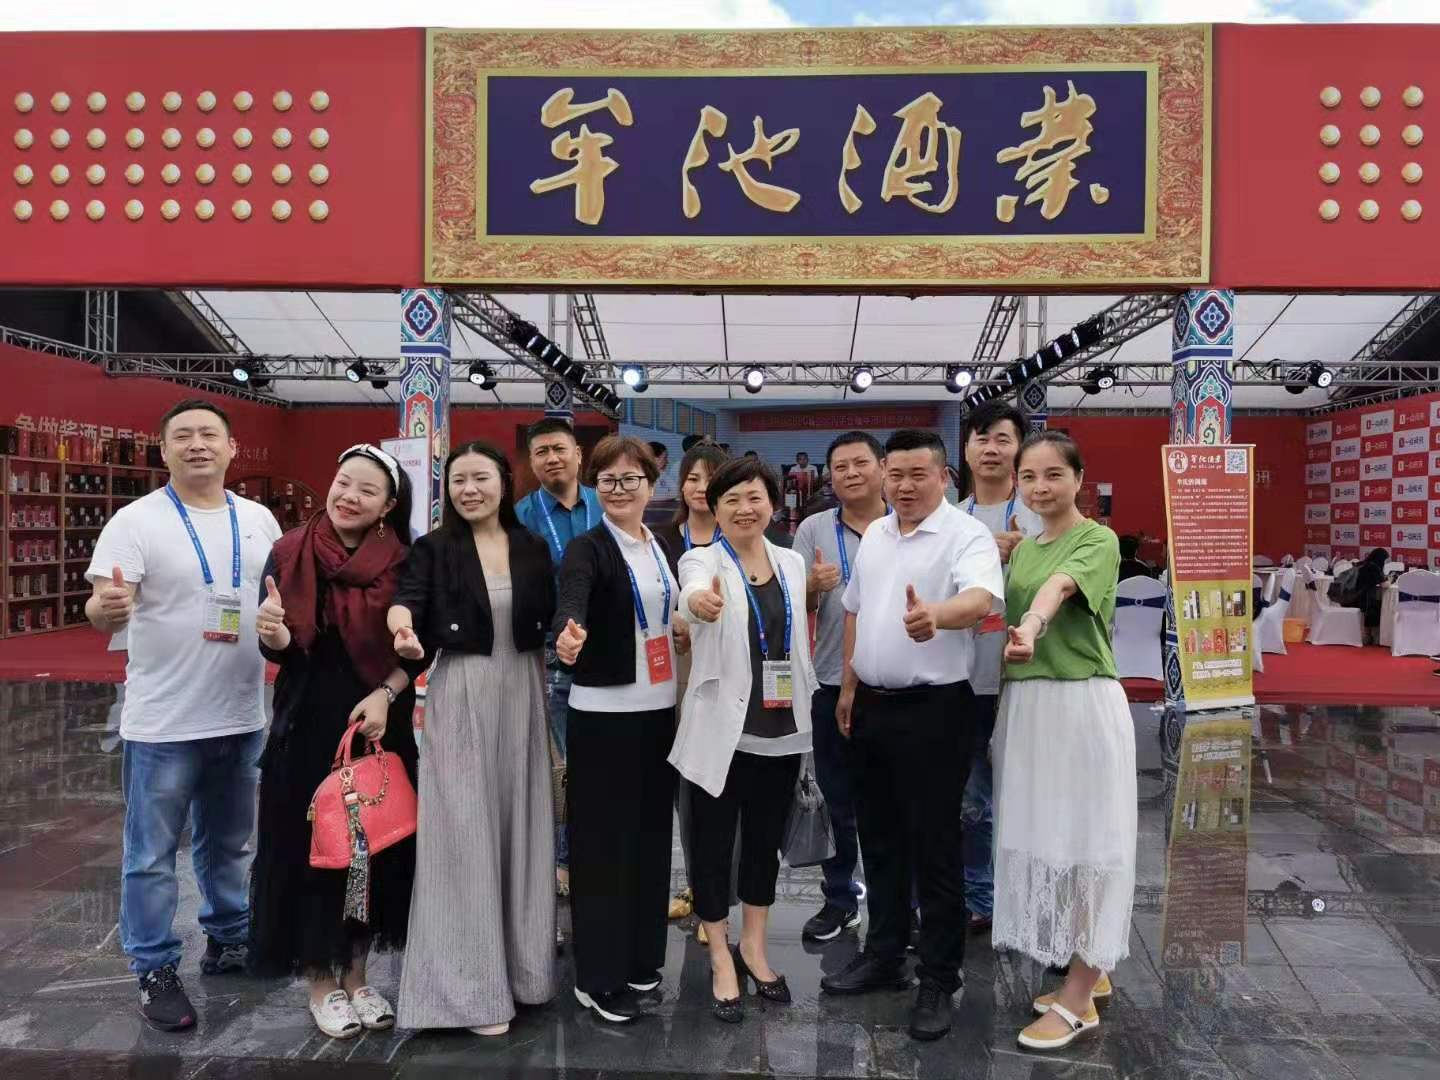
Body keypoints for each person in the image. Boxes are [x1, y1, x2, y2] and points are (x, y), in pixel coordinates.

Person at [84, 399, 282, 1032]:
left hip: (241, 714)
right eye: (184, 436)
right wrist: (107, 609)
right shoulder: (135, 521)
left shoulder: (258, 520)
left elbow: (275, 597)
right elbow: (102, 603)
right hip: (164, 722)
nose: (198, 445)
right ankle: (155, 969)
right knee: (151, 854)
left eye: (209, 435)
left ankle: (228, 937)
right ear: (164, 449)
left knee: (231, 843)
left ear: (231, 448)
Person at [821, 429, 1003, 1043]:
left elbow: (980, 599)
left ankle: (938, 977)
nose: (904, 486)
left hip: (935, 710)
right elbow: (854, 609)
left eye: (917, 474)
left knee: (935, 848)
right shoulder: (876, 534)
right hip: (871, 705)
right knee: (878, 839)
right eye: (895, 474)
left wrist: (936, 616)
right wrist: (849, 685)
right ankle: (884, 953)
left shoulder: (965, 535)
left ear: (944, 477)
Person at [248, 444, 420, 1039]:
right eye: (344, 482)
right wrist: (273, 634)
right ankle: (322, 981)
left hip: (378, 721)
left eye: (367, 491)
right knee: (314, 851)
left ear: (388, 505)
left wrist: (388, 693)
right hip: (308, 721)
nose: (349, 496)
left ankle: (358, 974)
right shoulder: (290, 551)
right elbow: (278, 644)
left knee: (373, 848)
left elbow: (419, 651)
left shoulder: (404, 560)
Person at [388, 441, 559, 1035]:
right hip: (462, 692)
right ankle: (468, 994)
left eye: (480, 477)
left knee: (521, 828)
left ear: (503, 482)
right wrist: (404, 630)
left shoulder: (530, 545)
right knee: (462, 833)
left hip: (523, 690)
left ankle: (525, 975)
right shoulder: (434, 549)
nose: (469, 489)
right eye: (458, 479)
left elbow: (559, 613)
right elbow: (405, 602)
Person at [994, 430, 1135, 1052]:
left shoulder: (1097, 540)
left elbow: (1057, 590)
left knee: (1091, 844)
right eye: (1029, 477)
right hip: (1029, 706)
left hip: (1080, 704)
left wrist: (1030, 625)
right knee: (1051, 839)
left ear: (1079, 479)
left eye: (1054, 474)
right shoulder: (1023, 549)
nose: (1040, 487)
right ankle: (1088, 967)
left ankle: (1079, 1001)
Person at [672, 457, 815, 1024]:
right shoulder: (701, 559)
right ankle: (719, 955)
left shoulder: (792, 562)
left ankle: (754, 947)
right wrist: (697, 604)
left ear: (772, 504)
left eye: (754, 497)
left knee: (763, 844)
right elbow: (690, 595)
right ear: (714, 508)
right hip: (720, 733)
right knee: (711, 846)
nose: (743, 508)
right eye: (730, 499)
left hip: (779, 729)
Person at [551, 436, 685, 1025]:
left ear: (651, 486)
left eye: (631, 479)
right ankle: (598, 977)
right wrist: (569, 633)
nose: (619, 489)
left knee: (650, 842)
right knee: (603, 849)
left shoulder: (660, 545)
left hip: (658, 713)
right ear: (595, 487)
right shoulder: (587, 547)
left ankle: (640, 959)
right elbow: (573, 597)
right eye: (607, 480)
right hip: (603, 717)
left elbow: (663, 612)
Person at [790, 431, 888, 942]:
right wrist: (812, 586)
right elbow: (795, 604)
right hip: (830, 680)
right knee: (836, 798)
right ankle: (839, 899)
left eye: (860, 463)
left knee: (894, 801)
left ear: (882, 467)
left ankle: (899, 905)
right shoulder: (813, 529)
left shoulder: (903, 524)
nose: (850, 473)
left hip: (895, 685)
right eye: (840, 466)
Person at [956, 402, 1045, 936]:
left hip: (1026, 679)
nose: (991, 449)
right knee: (972, 799)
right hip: (966, 680)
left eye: (1003, 439)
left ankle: (1027, 899)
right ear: (966, 449)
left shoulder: (1038, 518)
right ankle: (980, 898)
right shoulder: (950, 519)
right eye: (982, 438)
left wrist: (1026, 554)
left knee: (1028, 794)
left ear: (1019, 449)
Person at [514, 418, 602, 895]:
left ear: (578, 454)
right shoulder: (522, 516)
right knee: (566, 761)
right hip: (556, 654)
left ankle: (599, 852)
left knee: (605, 756)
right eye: (541, 452)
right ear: (531, 462)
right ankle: (566, 859)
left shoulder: (605, 503)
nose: (552, 458)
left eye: (559, 449)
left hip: (609, 649)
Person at [654, 441, 731, 928]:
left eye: (710, 478)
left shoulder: (739, 535)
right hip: (672, 669)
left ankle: (716, 900)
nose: (700, 488)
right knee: (681, 784)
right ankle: (695, 886)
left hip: (724, 669)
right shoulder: (660, 538)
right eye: (692, 478)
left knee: (718, 786)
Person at [1355, 547, 1389, 643]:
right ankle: (1375, 638)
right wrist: (1390, 581)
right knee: (1376, 608)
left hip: (1356, 596)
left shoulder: (1364, 564)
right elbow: (1384, 585)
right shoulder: (1374, 567)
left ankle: (1367, 636)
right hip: (1367, 599)